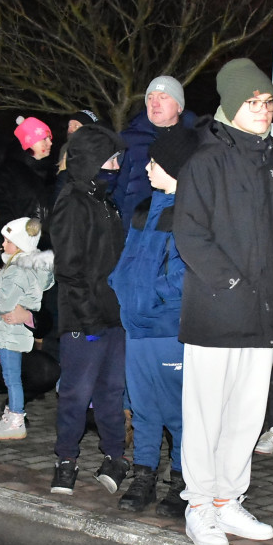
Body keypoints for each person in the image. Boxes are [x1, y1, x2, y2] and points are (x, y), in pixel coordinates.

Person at [172, 58, 273, 545]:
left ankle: (228, 501)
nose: (263, 110)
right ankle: (200, 505)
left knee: (247, 416)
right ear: (230, 105)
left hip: (263, 312)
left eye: (267, 102)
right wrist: (230, 284)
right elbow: (191, 234)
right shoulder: (206, 162)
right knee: (206, 414)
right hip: (216, 311)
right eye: (252, 102)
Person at [108, 126, 199, 516]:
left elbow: (189, 270)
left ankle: (182, 480)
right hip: (136, 325)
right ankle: (144, 474)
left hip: (166, 327)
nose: (146, 168)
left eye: (155, 162)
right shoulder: (146, 208)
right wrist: (120, 286)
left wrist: (155, 294)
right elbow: (128, 258)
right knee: (142, 406)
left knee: (179, 411)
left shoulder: (192, 211)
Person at [47, 124, 128, 495]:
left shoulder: (105, 201)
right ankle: (66, 460)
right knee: (77, 394)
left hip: (113, 317)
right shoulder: (73, 201)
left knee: (111, 391)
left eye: (117, 159)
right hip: (85, 319)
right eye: (109, 159)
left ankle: (114, 457)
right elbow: (69, 270)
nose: (115, 166)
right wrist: (90, 319)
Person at [0, 217, 55, 440]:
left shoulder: (17, 269)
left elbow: (4, 303)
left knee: (11, 376)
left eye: (8, 241)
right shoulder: (27, 265)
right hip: (13, 331)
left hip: (9, 332)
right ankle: (12, 415)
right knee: (11, 375)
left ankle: (16, 418)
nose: (3, 244)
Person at [115, 75, 196, 229]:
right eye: (150, 98)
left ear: (179, 106)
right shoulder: (127, 141)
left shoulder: (197, 140)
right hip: (136, 232)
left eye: (163, 97)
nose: (155, 103)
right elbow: (115, 192)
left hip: (182, 233)